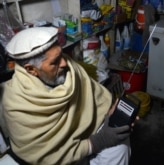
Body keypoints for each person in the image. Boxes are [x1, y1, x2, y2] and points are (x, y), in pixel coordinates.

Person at [2, 27, 137, 165]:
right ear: (31, 69)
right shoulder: (15, 102)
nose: (64, 63)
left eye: (61, 55)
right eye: (54, 62)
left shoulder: (71, 68)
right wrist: (97, 142)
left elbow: (96, 98)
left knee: (120, 146)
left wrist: (110, 115)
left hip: (89, 134)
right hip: (62, 158)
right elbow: (44, 154)